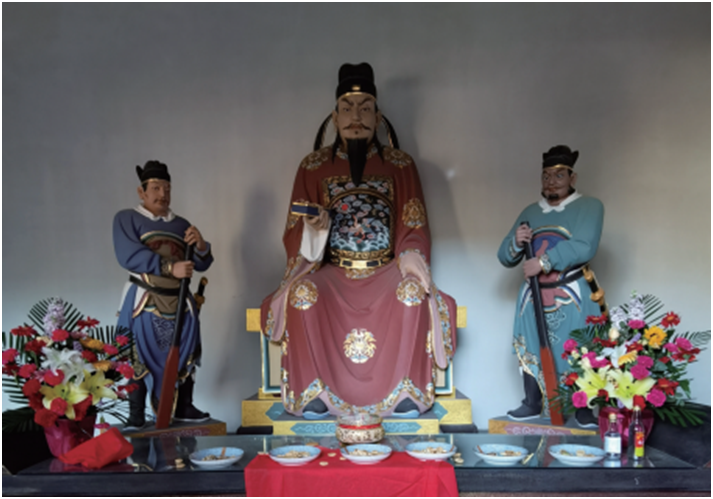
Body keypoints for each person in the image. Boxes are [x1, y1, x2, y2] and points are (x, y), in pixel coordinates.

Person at [261, 63, 457, 419]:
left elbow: (413, 222)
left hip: (386, 271)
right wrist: (315, 228)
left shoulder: (400, 165)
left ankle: (406, 391)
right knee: (302, 295)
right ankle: (313, 391)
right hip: (332, 272)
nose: (356, 117)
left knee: (412, 294)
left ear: (378, 118)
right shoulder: (313, 167)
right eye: (348, 109)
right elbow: (293, 231)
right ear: (335, 117)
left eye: (365, 109)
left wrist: (410, 258)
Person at [497, 145, 606, 427]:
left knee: (580, 347)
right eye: (546, 176)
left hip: (572, 291)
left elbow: (584, 245)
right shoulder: (530, 211)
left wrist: (544, 262)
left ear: (572, 177)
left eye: (559, 175)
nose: (551, 182)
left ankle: (583, 408)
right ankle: (532, 402)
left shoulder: (590, 206)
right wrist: (516, 242)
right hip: (532, 295)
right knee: (530, 344)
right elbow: (505, 256)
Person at [114, 160, 214, 430]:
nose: (163, 194)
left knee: (187, 350)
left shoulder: (182, 224)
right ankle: (136, 411)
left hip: (180, 300)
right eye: (156, 188)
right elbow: (128, 255)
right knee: (138, 351)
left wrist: (200, 245)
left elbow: (202, 263)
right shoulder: (126, 219)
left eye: (167, 189)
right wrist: (170, 267)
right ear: (142, 192)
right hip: (146, 297)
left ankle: (184, 405)